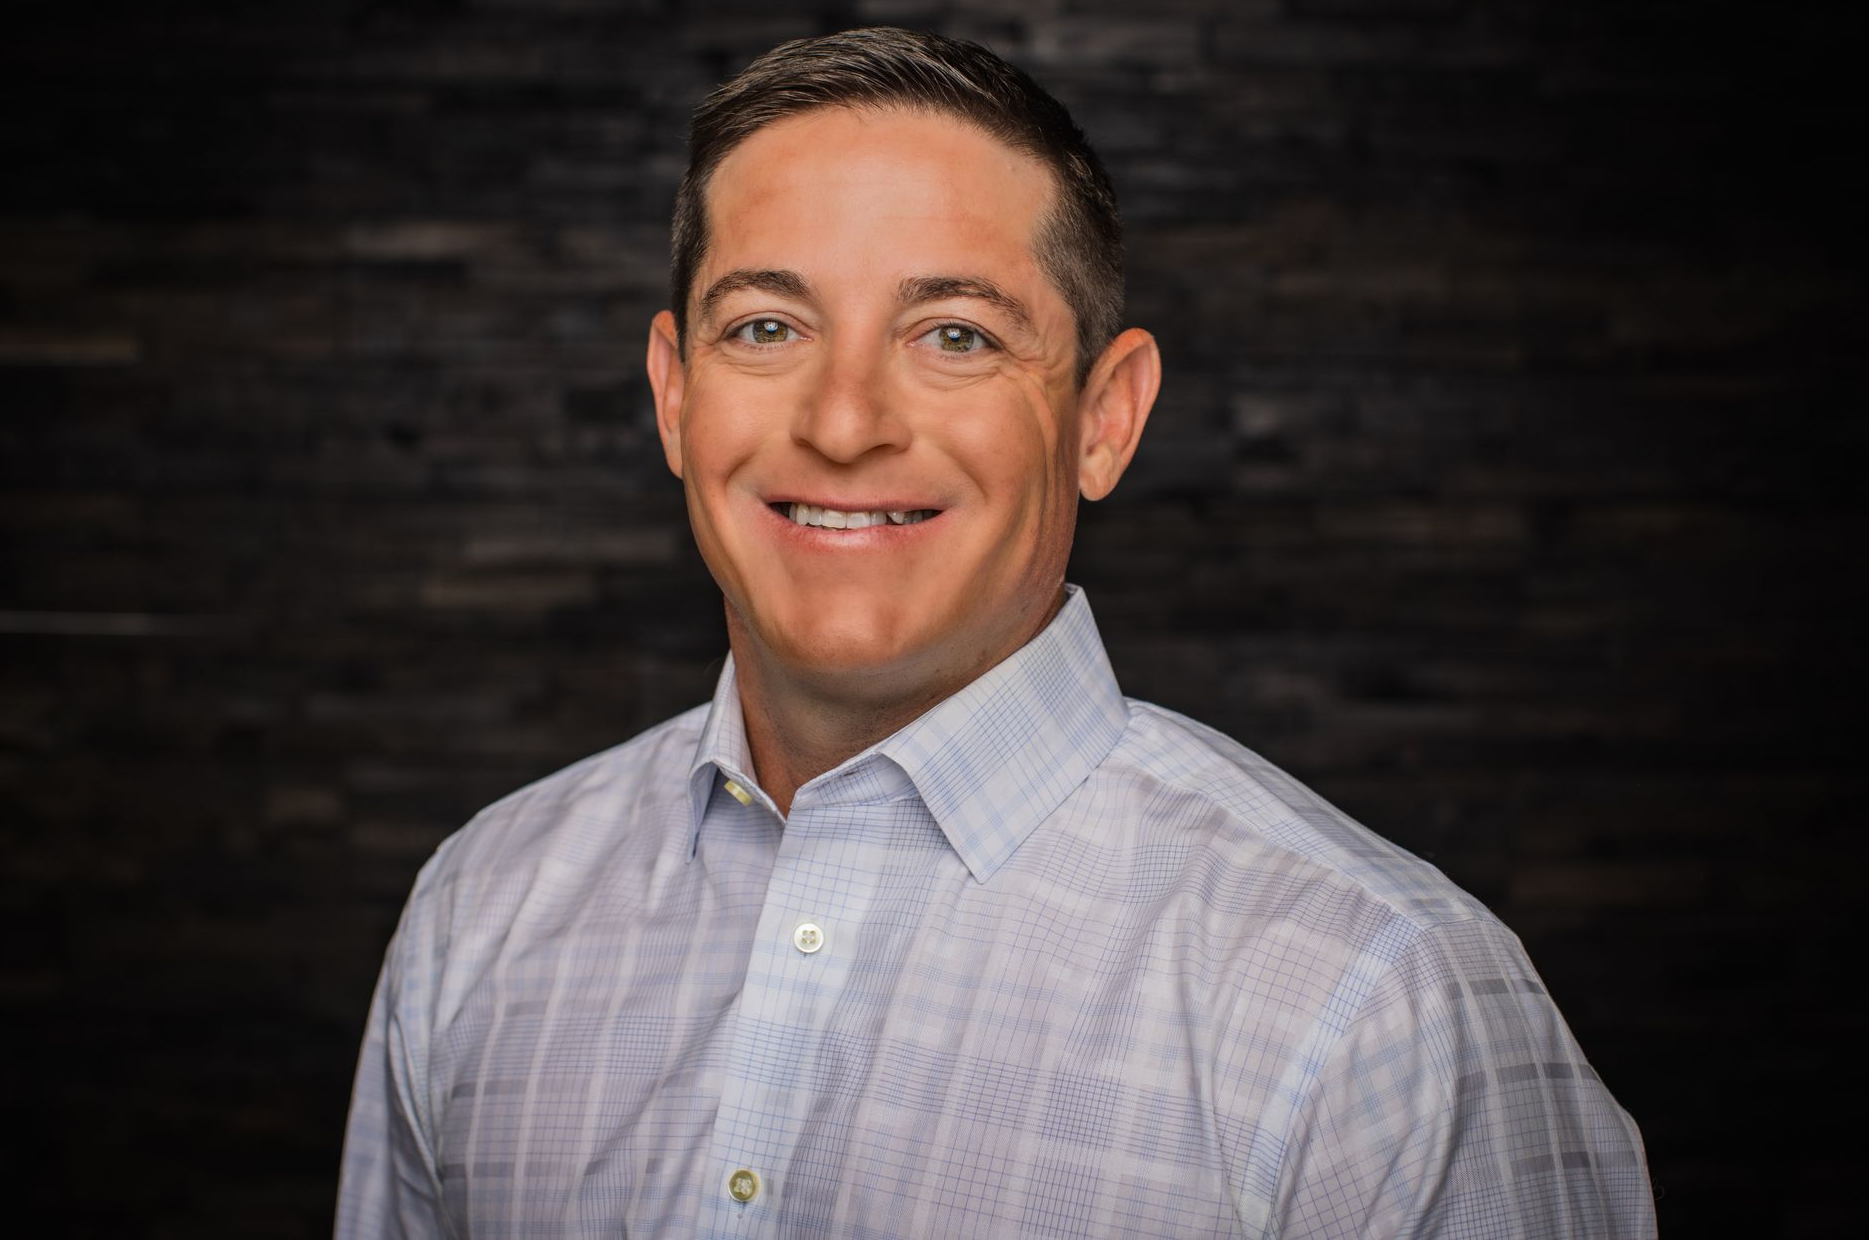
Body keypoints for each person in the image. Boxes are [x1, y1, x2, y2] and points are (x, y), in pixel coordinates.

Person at [336, 27, 1654, 1239]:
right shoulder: (483, 912)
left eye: (954, 334)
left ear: (1104, 418)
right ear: (677, 396)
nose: (844, 423)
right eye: (768, 327)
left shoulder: (1376, 1005)